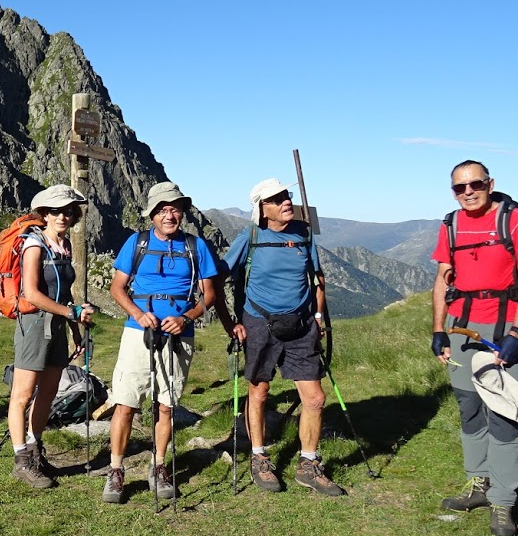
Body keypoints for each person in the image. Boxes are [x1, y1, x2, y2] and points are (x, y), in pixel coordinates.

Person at [102, 182, 234, 504]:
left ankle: (159, 465)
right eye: (162, 209)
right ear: (152, 215)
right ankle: (116, 470)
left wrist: (186, 318)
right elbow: (117, 288)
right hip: (138, 331)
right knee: (126, 402)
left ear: (182, 212)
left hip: (179, 334)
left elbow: (210, 295)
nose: (169, 215)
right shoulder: (136, 243)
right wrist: (138, 313)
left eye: (174, 208)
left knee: (166, 404)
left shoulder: (196, 246)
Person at [431, 160, 518, 536]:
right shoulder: (450, 225)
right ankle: (478, 484)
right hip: (462, 329)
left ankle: (504, 500)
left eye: (475, 184)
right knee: (470, 410)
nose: (468, 192)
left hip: (502, 329)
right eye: (459, 188)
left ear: (490, 183)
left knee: (503, 414)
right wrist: (438, 330)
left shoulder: (517, 221)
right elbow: (441, 278)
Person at [225, 178, 344, 496]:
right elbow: (222, 274)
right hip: (260, 322)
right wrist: (231, 320)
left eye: (286, 196)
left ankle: (308, 464)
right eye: (276, 199)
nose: (285, 202)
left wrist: (318, 316)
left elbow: (318, 280)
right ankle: (259, 457)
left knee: (316, 399)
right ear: (262, 209)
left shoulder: (304, 234)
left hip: (302, 325)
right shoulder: (250, 236)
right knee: (260, 394)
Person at [7, 184, 95, 488]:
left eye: (69, 211)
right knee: (23, 394)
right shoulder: (34, 244)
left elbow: (66, 292)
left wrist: (74, 328)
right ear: (44, 213)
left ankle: (35, 448)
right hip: (33, 325)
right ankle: (21, 459)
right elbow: (30, 292)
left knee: (47, 392)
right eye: (57, 211)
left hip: (56, 326)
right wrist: (70, 314)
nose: (64, 216)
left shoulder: (64, 245)